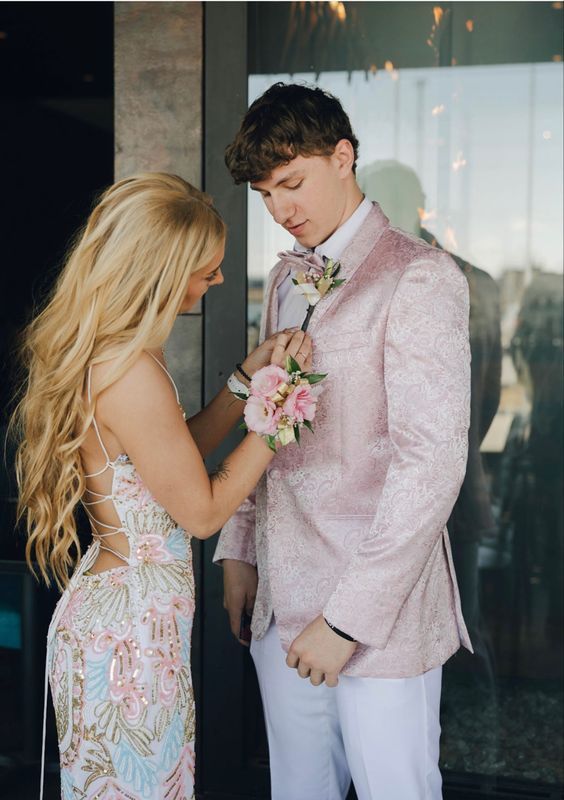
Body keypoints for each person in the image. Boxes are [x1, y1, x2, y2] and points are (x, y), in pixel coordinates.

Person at [10, 173, 312, 800]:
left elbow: (168, 461)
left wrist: (245, 382)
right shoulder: (132, 372)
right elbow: (202, 512)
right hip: (128, 638)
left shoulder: (118, 353)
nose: (219, 280)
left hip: (124, 617)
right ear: (163, 272)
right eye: (207, 269)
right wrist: (285, 405)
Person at [214, 83, 472, 800]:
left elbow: (431, 465)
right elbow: (267, 420)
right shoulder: (283, 279)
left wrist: (347, 620)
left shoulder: (419, 276)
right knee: (299, 789)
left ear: (343, 156)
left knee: (396, 789)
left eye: (292, 183)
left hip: (378, 610)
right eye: (266, 194)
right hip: (278, 596)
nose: (281, 209)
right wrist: (240, 549)